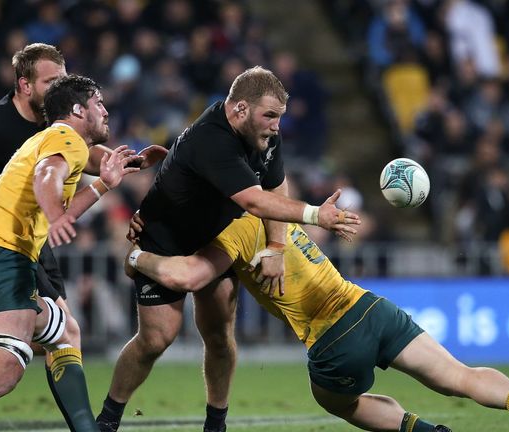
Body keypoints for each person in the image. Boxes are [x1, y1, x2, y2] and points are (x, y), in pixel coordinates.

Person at [124, 212, 509, 432]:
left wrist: (136, 255)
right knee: (459, 375)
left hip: (331, 338)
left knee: (338, 402)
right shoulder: (275, 211)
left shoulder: (228, 231)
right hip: (371, 307)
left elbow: (185, 273)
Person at [96, 66, 360, 432]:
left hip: (216, 238)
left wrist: (276, 246)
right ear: (239, 110)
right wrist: (316, 214)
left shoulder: (265, 136)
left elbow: (275, 187)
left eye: (279, 117)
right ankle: (107, 419)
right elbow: (255, 201)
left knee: (220, 337)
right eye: (269, 115)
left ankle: (215, 425)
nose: (276, 125)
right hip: (163, 239)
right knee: (157, 338)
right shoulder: (211, 140)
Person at [0, 43, 162, 428]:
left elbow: (86, 159)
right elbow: (46, 175)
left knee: (65, 330)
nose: (61, 84)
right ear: (25, 85)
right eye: (52, 80)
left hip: (15, 252)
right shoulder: (0, 128)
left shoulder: (51, 131)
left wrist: (126, 168)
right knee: (1, 373)